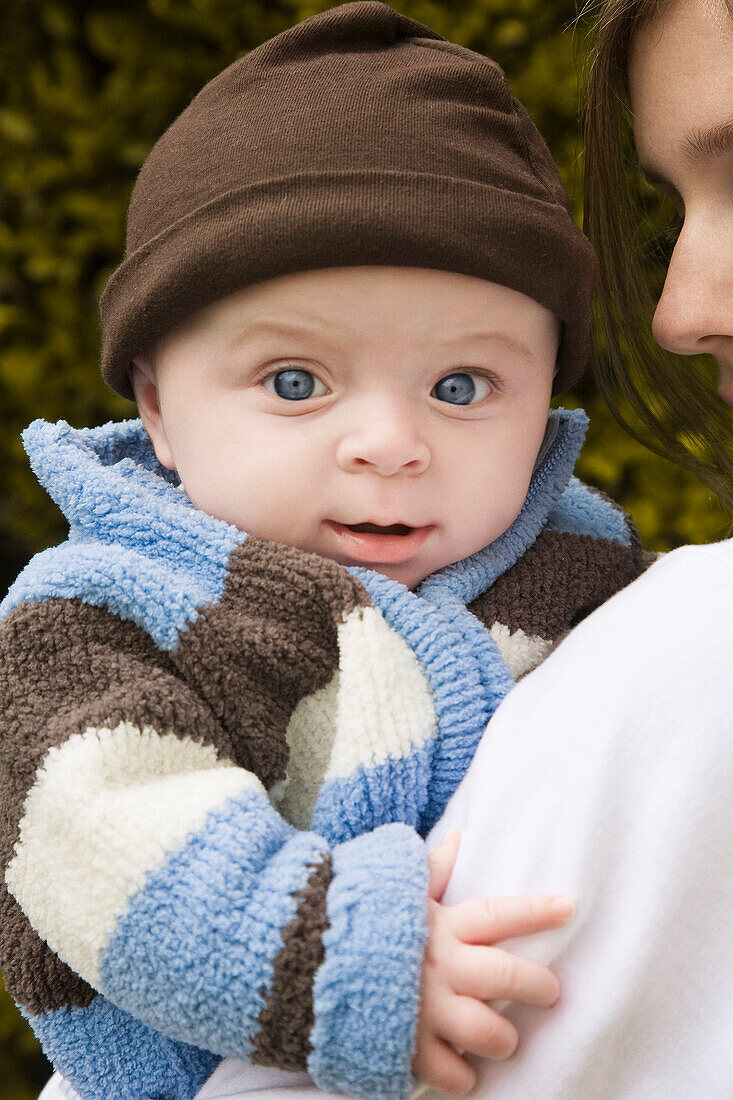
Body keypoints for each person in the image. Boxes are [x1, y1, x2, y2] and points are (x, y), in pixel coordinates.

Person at [0, 3, 650, 1100]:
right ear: (157, 411)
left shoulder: (585, 565)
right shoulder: (102, 611)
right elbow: (103, 840)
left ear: (543, 403)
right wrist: (337, 959)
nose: (391, 445)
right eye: (295, 382)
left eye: (461, 386)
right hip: (203, 1066)